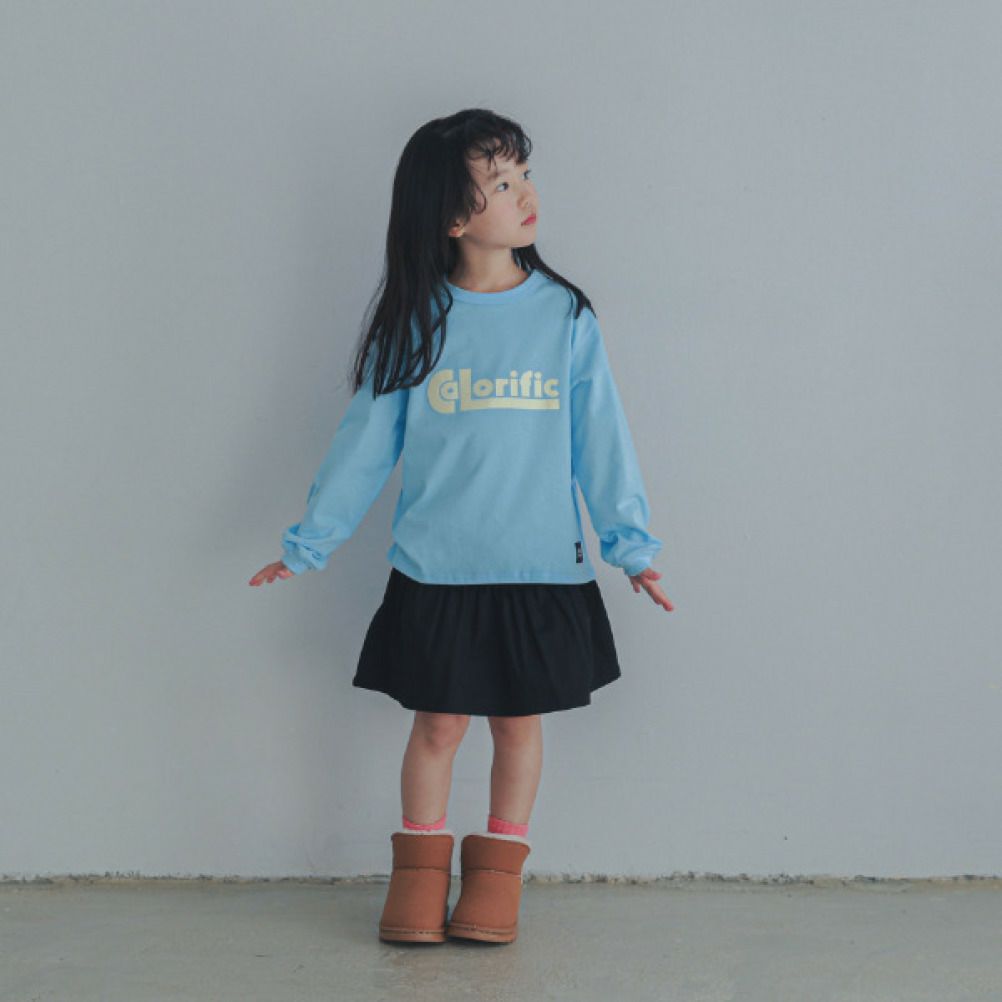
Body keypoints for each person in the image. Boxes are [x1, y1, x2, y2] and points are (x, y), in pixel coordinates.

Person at [249, 108, 674, 945]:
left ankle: (496, 880)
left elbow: (602, 441)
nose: (526, 194)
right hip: (436, 567)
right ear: (451, 217)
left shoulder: (565, 316)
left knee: (517, 724)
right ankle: (417, 876)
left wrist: (631, 547)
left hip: (539, 568)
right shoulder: (417, 321)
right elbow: (365, 445)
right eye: (503, 183)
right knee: (438, 724)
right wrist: (309, 544)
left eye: (525, 175)